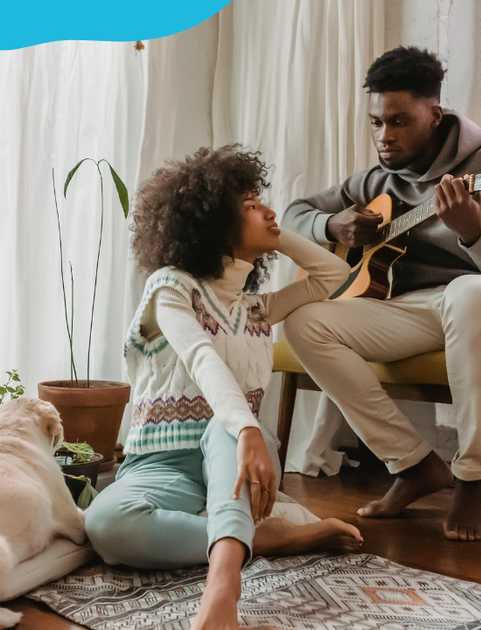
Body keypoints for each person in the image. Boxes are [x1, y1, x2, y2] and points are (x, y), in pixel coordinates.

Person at [83, 146, 364, 630]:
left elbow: (337, 277)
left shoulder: (256, 307)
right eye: (252, 203)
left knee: (226, 428)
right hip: (161, 465)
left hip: (238, 460)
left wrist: (278, 238)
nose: (269, 210)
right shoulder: (170, 286)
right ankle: (262, 538)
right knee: (105, 525)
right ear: (214, 219)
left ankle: (222, 588)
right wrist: (250, 429)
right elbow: (200, 355)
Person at [282, 46, 481, 542]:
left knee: (472, 292)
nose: (384, 137)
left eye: (398, 122)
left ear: (434, 114)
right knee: (304, 321)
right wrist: (334, 224)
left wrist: (473, 233)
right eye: (376, 123)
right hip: (408, 311)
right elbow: (293, 213)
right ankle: (412, 465)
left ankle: (472, 480)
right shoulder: (375, 180)